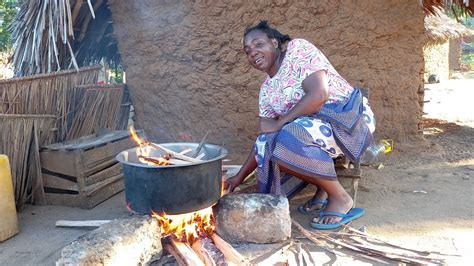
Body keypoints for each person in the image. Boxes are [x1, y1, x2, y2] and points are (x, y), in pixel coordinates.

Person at [224, 20, 376, 230]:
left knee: (288, 135)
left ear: (275, 42)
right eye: (247, 51)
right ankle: (323, 188)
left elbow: (319, 94)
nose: (253, 53)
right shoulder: (266, 90)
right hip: (311, 130)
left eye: (258, 44)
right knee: (269, 144)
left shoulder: (298, 50)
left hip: (348, 120)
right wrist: (238, 178)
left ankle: (340, 197)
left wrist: (282, 120)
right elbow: (265, 134)